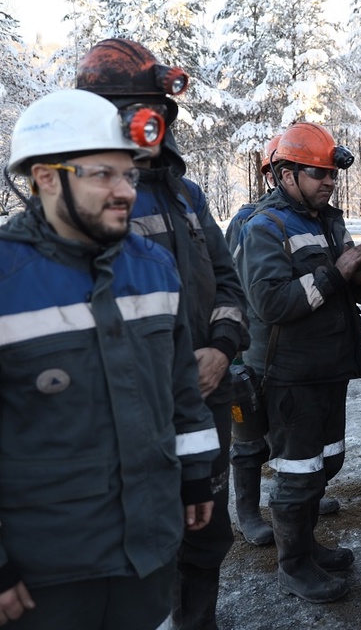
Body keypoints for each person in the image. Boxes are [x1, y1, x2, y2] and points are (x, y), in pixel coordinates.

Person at [0, 89, 219, 629]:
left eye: (130, 175)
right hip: (44, 575)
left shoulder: (153, 269)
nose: (125, 191)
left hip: (146, 553)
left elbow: (182, 390)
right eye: (104, 174)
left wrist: (195, 477)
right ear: (46, 177)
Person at [76, 38, 249, 629]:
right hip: (139, 412)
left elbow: (229, 283)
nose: (153, 125)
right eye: (141, 110)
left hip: (206, 399)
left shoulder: (187, 195)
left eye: (159, 112)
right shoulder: (81, 204)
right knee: (145, 542)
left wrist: (220, 351)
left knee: (207, 529)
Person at [234, 121, 361, 604]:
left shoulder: (329, 220)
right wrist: (336, 274)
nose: (328, 182)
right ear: (284, 175)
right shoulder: (265, 227)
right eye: (317, 174)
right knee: (297, 472)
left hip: (329, 365)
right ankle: (294, 564)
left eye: (331, 175)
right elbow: (272, 304)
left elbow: (339, 289)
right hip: (288, 374)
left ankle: (309, 543)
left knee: (326, 461)